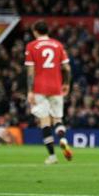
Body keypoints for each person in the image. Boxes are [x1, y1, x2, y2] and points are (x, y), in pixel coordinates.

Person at [24, 21, 73, 164]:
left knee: (44, 121)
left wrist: (29, 90)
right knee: (57, 119)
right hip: (56, 86)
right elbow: (67, 68)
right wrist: (66, 83)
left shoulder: (31, 46)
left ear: (35, 31)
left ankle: (52, 156)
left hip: (40, 88)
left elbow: (31, 71)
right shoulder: (58, 45)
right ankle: (62, 139)